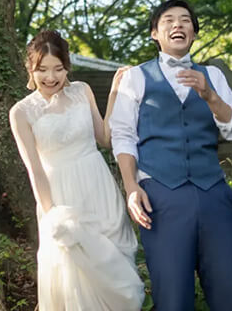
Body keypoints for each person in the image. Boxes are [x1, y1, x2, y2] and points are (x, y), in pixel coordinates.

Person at [109, 0, 232, 311]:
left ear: (194, 33)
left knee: (229, 289)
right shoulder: (136, 77)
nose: (178, 25)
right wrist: (132, 187)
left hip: (213, 192)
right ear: (154, 34)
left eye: (185, 20)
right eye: (169, 20)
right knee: (172, 295)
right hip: (161, 196)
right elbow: (122, 135)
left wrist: (210, 96)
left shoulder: (214, 75)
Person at [9, 30, 145, 311]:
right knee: (73, 273)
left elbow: (105, 138)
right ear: (30, 69)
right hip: (61, 195)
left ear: (67, 67)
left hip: (98, 186)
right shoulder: (21, 112)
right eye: (42, 70)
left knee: (114, 265)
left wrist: (116, 91)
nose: (50, 77)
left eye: (58, 69)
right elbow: (34, 169)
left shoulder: (82, 91)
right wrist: (51, 215)